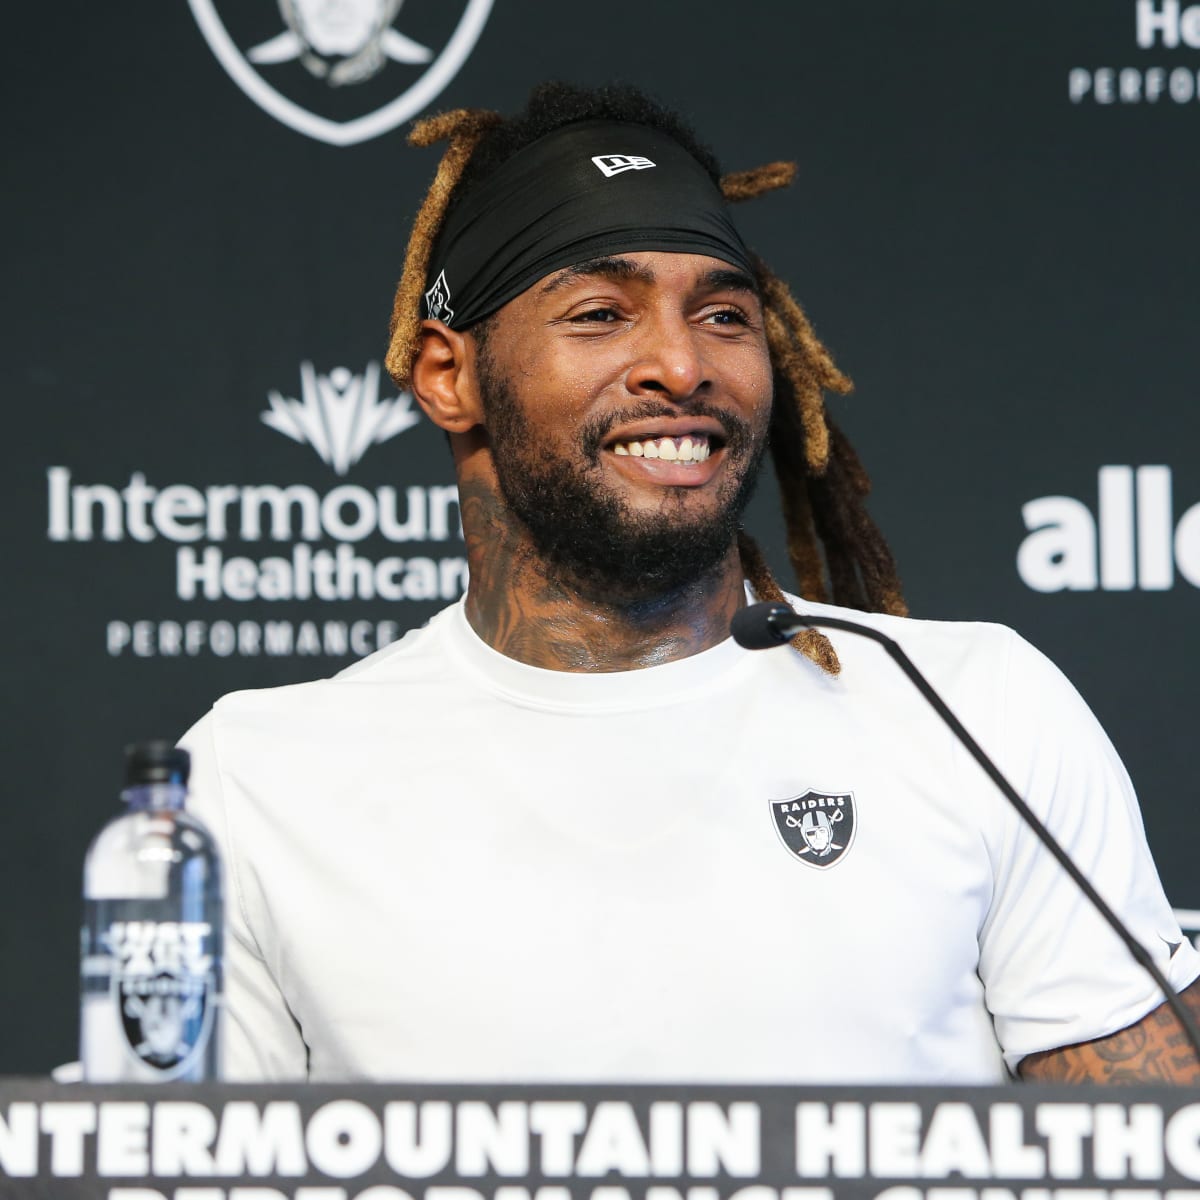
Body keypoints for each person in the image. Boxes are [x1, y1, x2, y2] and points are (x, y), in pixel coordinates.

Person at [181, 82, 1200, 1084]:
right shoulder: (256, 779)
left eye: (722, 314)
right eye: (599, 313)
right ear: (449, 376)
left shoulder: (977, 710)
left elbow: (1156, 1154)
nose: (679, 362)